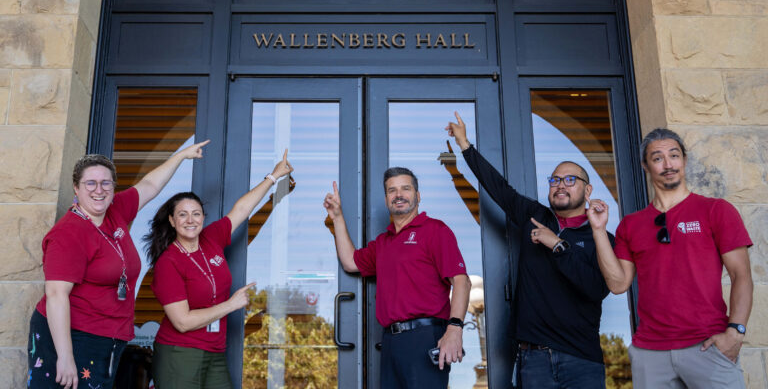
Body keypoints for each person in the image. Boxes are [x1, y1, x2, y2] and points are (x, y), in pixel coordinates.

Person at [446, 112, 613, 388]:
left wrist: (558, 246)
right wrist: (465, 145)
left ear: (588, 190)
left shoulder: (601, 237)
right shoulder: (535, 215)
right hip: (533, 360)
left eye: (570, 180)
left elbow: (596, 289)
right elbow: (498, 188)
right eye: (555, 180)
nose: (560, 185)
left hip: (581, 361)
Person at [28, 140, 211, 389]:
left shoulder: (114, 212)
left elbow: (149, 185)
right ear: (76, 188)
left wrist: (180, 156)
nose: (98, 190)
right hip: (72, 337)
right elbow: (56, 295)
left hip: (107, 337)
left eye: (106, 183)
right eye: (90, 183)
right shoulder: (68, 234)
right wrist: (65, 357)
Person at [588, 128, 753, 388]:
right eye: (657, 158)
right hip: (650, 353)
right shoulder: (631, 225)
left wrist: (736, 332)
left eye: (674, 155)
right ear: (646, 165)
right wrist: (598, 231)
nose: (668, 164)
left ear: (684, 161)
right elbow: (618, 284)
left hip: (707, 345)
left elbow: (741, 275)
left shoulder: (716, 211)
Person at [145, 150, 293, 389]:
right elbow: (182, 322)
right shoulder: (168, 262)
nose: (190, 220)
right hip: (180, 353)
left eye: (196, 214)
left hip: (214, 350)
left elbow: (242, 209)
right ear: (172, 221)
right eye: (182, 215)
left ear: (203, 217)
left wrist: (274, 176)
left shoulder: (211, 238)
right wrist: (231, 305)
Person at [323, 168, 471, 389]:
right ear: (386, 200)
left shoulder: (435, 230)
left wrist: (454, 329)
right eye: (392, 190)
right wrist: (337, 217)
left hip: (425, 338)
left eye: (405, 188)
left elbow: (461, 281)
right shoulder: (384, 243)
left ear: (418, 196)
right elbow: (350, 262)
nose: (398, 194)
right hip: (391, 342)